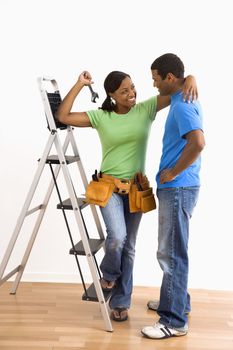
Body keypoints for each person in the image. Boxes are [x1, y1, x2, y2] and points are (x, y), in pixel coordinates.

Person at [56, 69, 197, 322]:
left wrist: (192, 78)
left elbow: (174, 87)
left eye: (132, 87)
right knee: (117, 238)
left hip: (136, 189)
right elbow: (62, 115)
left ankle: (121, 301)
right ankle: (109, 275)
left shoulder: (146, 109)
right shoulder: (101, 117)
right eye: (124, 91)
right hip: (107, 187)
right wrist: (79, 84)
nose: (131, 93)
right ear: (112, 95)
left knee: (129, 248)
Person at [141, 53, 205, 339]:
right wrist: (190, 77)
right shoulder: (182, 97)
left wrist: (174, 172)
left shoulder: (182, 106)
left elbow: (198, 142)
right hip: (179, 188)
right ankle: (175, 301)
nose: (153, 83)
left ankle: (174, 321)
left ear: (169, 78)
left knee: (172, 254)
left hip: (178, 188)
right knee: (173, 251)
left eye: (156, 78)